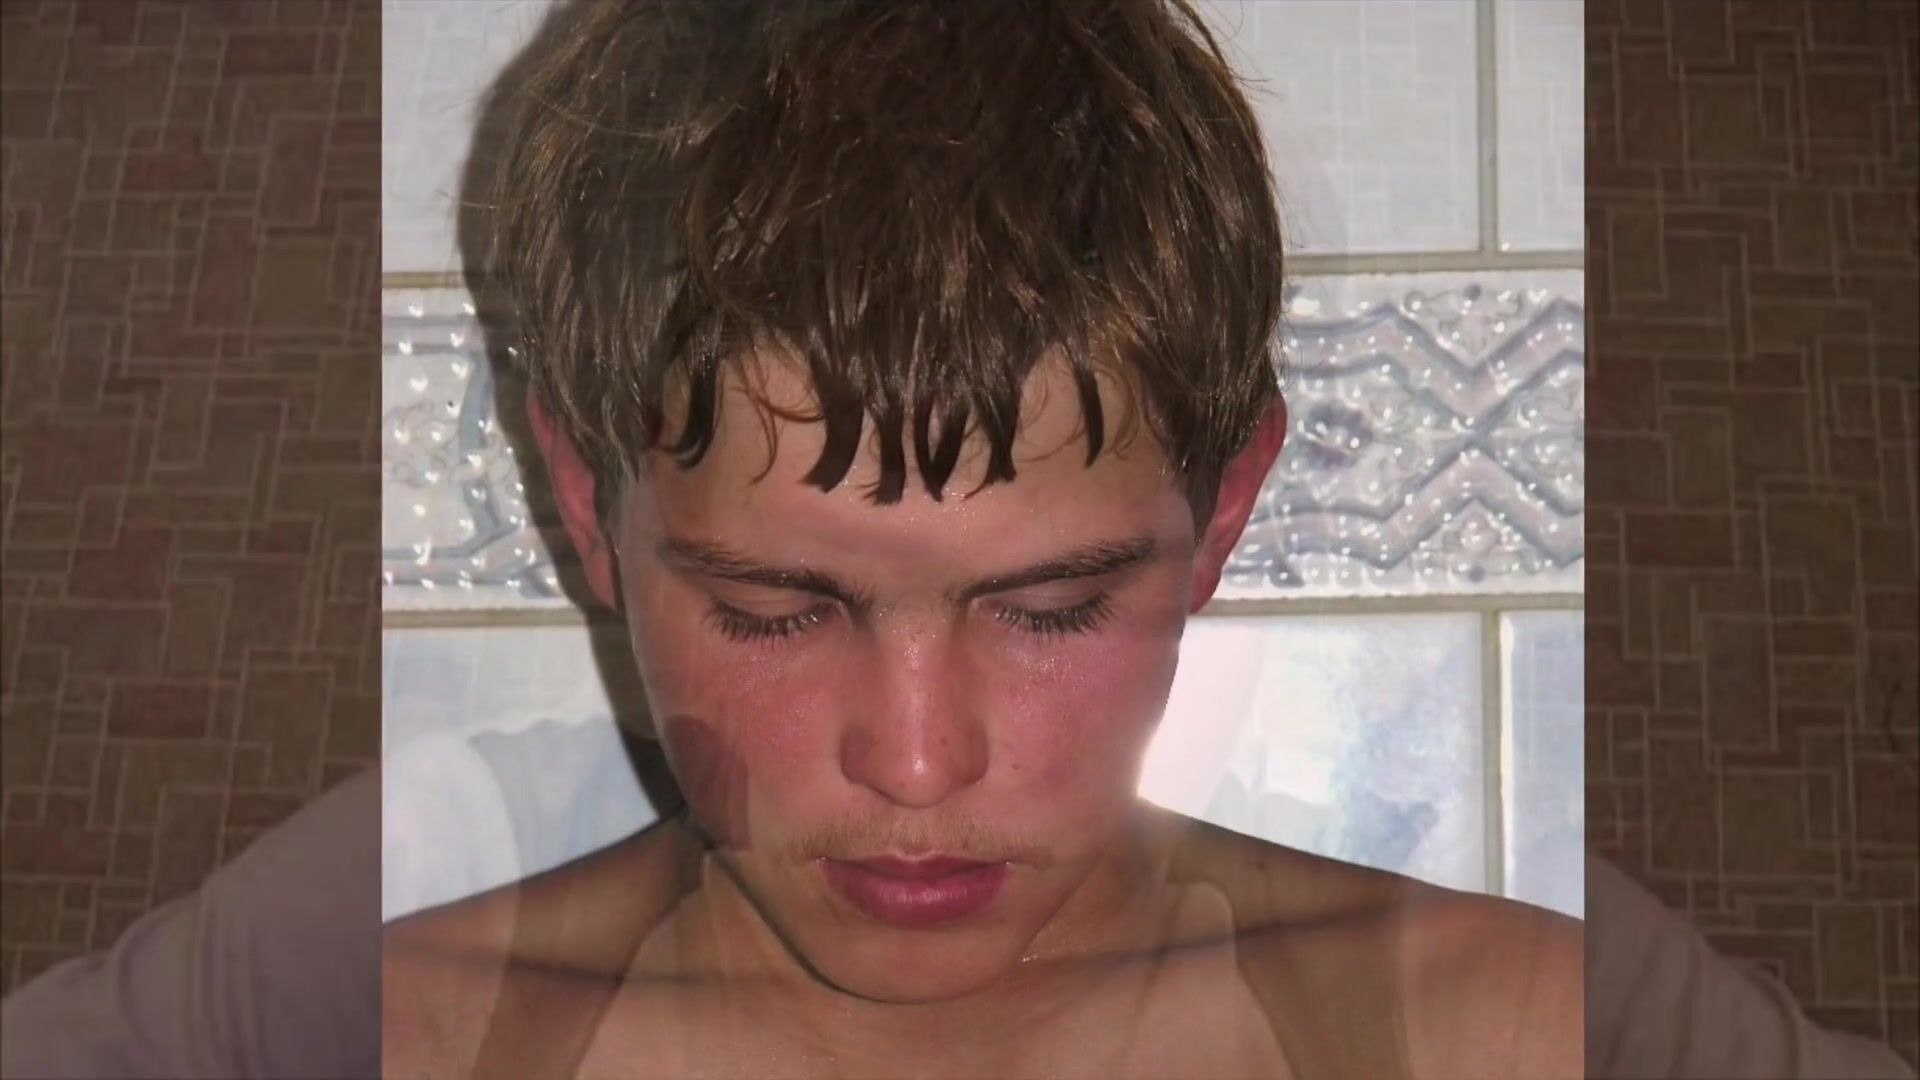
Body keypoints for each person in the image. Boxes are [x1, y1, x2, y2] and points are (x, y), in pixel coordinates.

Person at [381, 1, 1582, 1077]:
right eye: (774, 611)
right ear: (587, 505)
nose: (916, 764)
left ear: (1222, 514)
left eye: (1050, 610)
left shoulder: (1532, 1036)